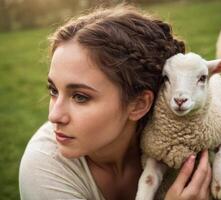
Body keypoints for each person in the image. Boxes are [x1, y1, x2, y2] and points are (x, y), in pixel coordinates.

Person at [19, 4, 211, 200]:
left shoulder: (180, 151)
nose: (54, 116)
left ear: (139, 104)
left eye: (80, 97)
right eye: (53, 90)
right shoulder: (44, 166)